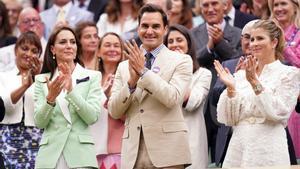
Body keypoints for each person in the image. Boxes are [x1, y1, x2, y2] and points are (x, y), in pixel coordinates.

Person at [108, 4, 192, 169]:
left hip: (168, 153)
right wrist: (131, 84)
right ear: (138, 28)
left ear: (165, 29)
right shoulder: (124, 66)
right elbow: (114, 110)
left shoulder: (181, 60)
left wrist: (143, 72)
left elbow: (172, 98)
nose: (149, 31)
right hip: (133, 154)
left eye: (156, 26)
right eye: (145, 26)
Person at [215, 19, 300, 167]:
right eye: (252, 39)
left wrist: (254, 82)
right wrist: (230, 88)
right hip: (238, 149)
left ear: (274, 42)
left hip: (269, 149)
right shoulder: (242, 75)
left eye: (260, 38)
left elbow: (279, 112)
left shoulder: (289, 73)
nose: (253, 43)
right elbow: (228, 118)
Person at [34, 26, 103, 169]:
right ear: (52, 49)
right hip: (50, 158)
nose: (68, 46)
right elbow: (40, 123)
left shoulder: (93, 76)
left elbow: (92, 117)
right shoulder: (41, 80)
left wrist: (71, 91)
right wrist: (50, 99)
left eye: (72, 42)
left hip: (81, 157)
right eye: (63, 42)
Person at [191, 0, 242, 162]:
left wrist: (220, 43)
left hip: (228, 103)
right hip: (199, 104)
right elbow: (192, 62)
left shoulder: (239, 33)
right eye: (205, 5)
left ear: (225, 6)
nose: (210, 9)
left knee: (225, 158)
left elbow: (238, 61)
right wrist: (209, 47)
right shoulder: (192, 34)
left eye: (215, 4)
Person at [164, 24, 211, 169]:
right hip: (164, 141)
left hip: (191, 139)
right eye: (170, 42)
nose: (174, 44)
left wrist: (180, 67)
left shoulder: (203, 74)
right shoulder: (160, 72)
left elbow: (192, 103)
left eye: (179, 40)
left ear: (188, 44)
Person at [0, 31, 43, 168]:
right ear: (15, 50)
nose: (29, 54)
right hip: (9, 135)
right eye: (24, 48)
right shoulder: (3, 76)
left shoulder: (43, 79)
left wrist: (38, 79)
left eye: (34, 51)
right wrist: (24, 86)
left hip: (36, 136)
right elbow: (4, 106)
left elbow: (48, 107)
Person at [96, 32, 124, 169]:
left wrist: (108, 100)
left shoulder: (128, 77)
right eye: (107, 45)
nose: (112, 49)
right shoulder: (90, 78)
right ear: (98, 52)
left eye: (116, 46)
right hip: (94, 150)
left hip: (119, 150)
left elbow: (128, 116)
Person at [0, 7, 46, 72]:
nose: (32, 24)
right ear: (18, 26)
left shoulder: (52, 50)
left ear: (42, 25)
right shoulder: (3, 53)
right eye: (26, 21)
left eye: (35, 20)